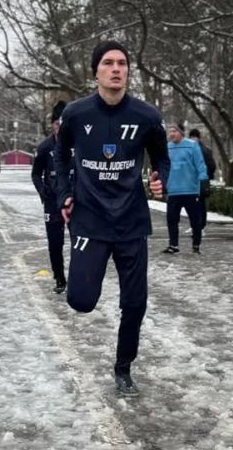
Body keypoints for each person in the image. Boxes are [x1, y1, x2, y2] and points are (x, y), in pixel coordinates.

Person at [58, 43, 169, 395]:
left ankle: (123, 368)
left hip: (131, 221)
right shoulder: (76, 114)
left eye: (122, 63)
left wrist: (161, 178)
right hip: (90, 220)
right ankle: (82, 279)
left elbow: (162, 159)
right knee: (81, 301)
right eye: (108, 63)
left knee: (135, 303)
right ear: (96, 71)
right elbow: (60, 157)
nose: (116, 69)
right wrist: (64, 194)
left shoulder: (146, 116)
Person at [31, 101, 68, 292]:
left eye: (63, 124)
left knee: (81, 242)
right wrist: (43, 191)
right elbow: (36, 174)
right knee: (55, 243)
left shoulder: (78, 144)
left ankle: (79, 278)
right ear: (52, 125)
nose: (60, 127)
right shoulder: (45, 147)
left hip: (75, 201)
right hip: (52, 202)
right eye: (56, 124)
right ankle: (59, 278)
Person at [162, 122, 209, 255]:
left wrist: (203, 181)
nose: (171, 134)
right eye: (170, 131)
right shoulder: (167, 147)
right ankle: (173, 245)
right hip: (173, 190)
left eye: (174, 131)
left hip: (190, 190)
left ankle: (196, 245)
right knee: (171, 220)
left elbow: (200, 165)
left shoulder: (192, 146)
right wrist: (162, 182)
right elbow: (164, 167)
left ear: (181, 133)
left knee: (195, 220)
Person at [189, 127, 216, 228]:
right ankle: (201, 226)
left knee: (194, 204)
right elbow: (212, 166)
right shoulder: (207, 150)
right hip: (203, 180)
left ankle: (197, 226)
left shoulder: (192, 150)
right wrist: (208, 176)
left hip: (193, 180)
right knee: (201, 204)